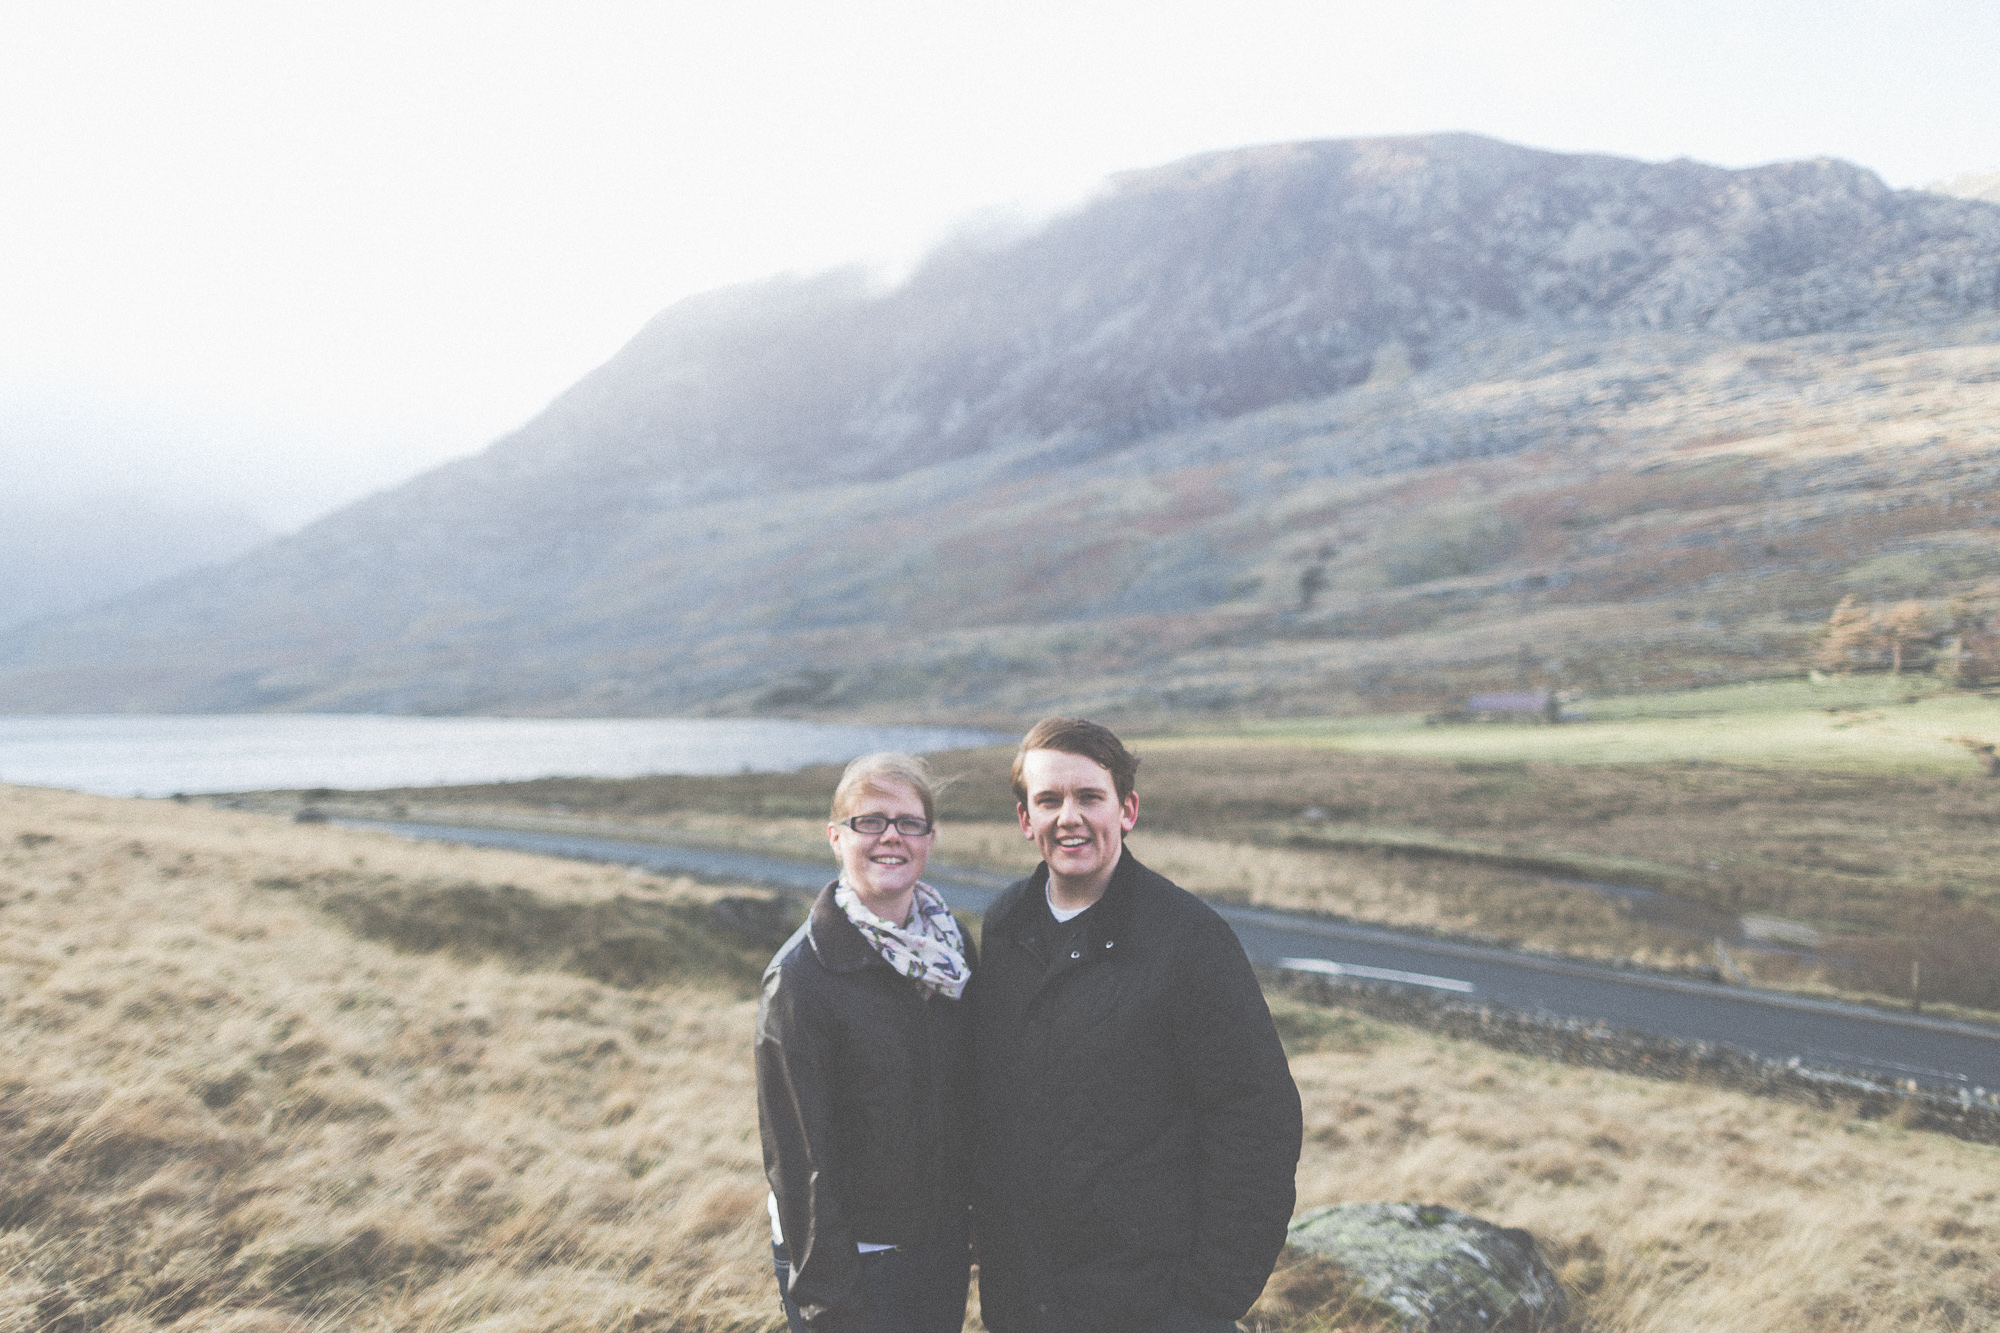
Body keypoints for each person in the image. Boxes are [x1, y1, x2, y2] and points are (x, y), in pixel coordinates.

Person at [972, 718, 1303, 1333]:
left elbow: (1257, 1122)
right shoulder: (1006, 926)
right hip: (1021, 1293)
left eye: (1089, 797)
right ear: (1025, 821)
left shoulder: (1189, 940)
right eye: (1048, 800)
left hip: (1148, 1300)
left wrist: (1207, 1303)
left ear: (1127, 809)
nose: (1068, 816)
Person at [756, 752, 976, 1333]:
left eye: (908, 822)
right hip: (850, 1267)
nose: (890, 838)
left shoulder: (953, 958)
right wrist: (830, 1305)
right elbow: (798, 1161)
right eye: (869, 821)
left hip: (937, 1253)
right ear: (836, 837)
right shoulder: (801, 977)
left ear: (930, 838)